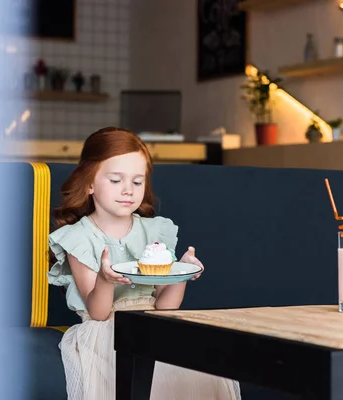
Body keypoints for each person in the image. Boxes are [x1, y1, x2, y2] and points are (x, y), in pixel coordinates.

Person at [47, 127, 241, 399]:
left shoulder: (155, 231)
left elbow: (165, 306)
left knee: (203, 363)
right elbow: (99, 312)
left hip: (155, 324)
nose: (128, 190)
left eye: (137, 182)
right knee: (145, 374)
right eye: (116, 180)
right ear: (89, 183)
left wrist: (181, 272)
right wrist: (105, 279)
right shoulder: (79, 238)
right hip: (108, 330)